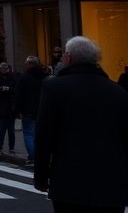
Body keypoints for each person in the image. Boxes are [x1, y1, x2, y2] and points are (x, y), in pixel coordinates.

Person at [34, 35, 128, 213]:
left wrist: (41, 177)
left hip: (69, 179)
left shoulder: (55, 88)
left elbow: (44, 136)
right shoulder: (118, 91)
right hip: (112, 182)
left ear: (68, 57)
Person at [15, 55, 47, 167]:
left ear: (30, 64)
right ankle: (39, 156)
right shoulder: (44, 76)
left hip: (28, 109)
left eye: (26, 63)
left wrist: (17, 110)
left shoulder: (24, 77)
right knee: (39, 134)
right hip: (42, 109)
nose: (25, 65)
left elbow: (18, 95)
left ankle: (33, 156)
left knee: (29, 134)